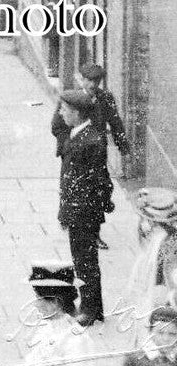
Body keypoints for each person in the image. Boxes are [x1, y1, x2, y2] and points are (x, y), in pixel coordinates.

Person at [55, 90, 111, 325]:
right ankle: (92, 306)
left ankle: (89, 309)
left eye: (65, 110)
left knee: (85, 262)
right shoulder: (80, 134)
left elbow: (94, 182)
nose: (60, 113)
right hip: (78, 211)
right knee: (83, 260)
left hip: (83, 213)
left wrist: (71, 214)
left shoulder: (89, 141)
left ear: (76, 113)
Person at [19, 262, 93, 366]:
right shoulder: (48, 327)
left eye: (40, 299)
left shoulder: (74, 339)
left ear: (56, 303)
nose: (35, 304)